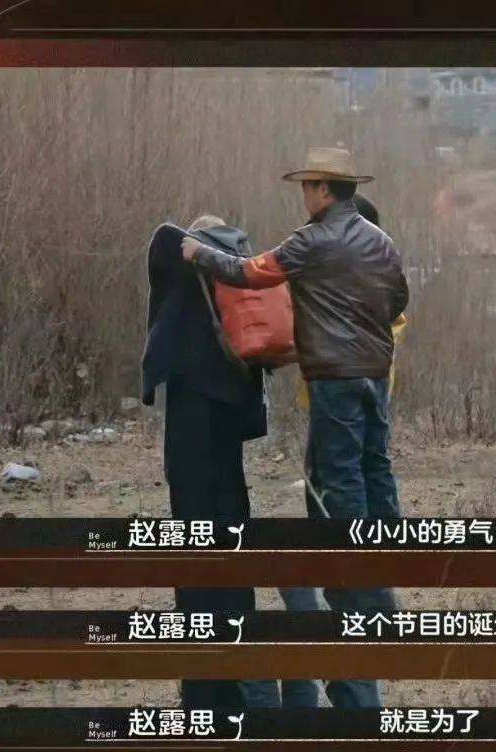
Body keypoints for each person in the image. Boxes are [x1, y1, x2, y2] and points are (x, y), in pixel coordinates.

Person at [181, 148, 408, 707]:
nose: (303, 195)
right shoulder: (381, 242)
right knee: (375, 465)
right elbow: (398, 298)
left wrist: (198, 253)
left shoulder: (312, 240)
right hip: (375, 372)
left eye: (307, 186)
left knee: (337, 475)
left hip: (334, 375)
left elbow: (251, 272)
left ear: (323, 189)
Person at [141, 213, 275, 709]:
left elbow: (163, 239)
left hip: (192, 422)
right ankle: (240, 684)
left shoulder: (183, 260)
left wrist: (195, 244)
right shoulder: (240, 273)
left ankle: (202, 692)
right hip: (230, 423)